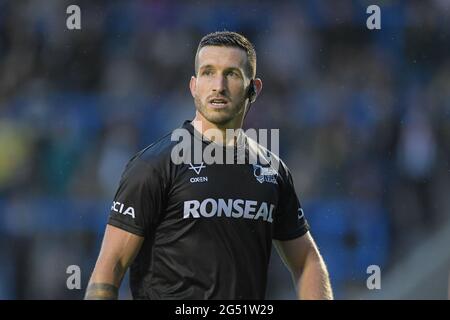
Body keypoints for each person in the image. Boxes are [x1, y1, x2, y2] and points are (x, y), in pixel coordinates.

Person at [85, 31, 333, 300]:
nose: (219, 85)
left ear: (254, 88)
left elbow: (307, 260)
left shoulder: (272, 171)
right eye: (208, 73)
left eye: (232, 74)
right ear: (193, 86)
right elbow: (109, 269)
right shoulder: (154, 165)